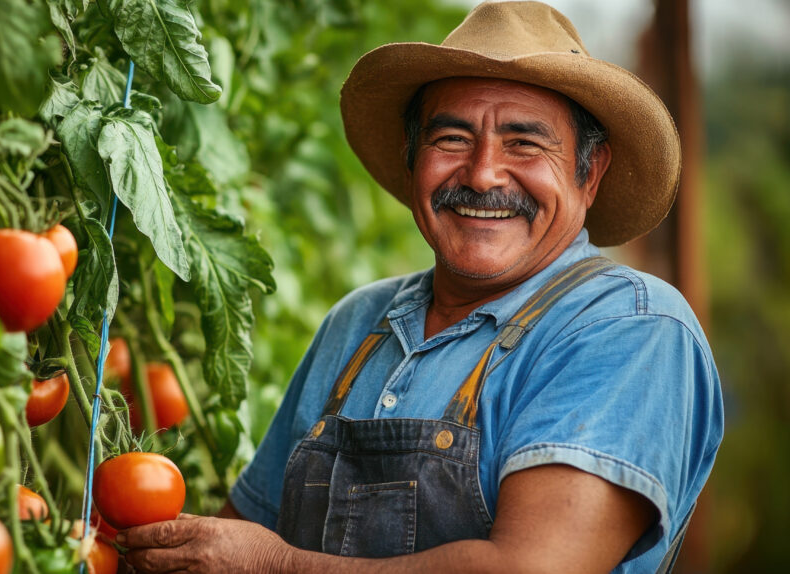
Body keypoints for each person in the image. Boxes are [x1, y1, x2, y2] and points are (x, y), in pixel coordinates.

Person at [117, 2, 724, 572]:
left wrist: (280, 565)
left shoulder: (628, 327)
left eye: (525, 143)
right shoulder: (358, 324)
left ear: (590, 173)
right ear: (413, 162)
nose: (483, 172)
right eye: (451, 138)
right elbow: (235, 541)